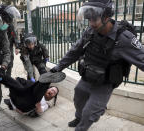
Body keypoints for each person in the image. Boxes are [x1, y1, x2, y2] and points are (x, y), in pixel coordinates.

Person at [50, 0, 144, 131]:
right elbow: (75, 51)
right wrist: (58, 67)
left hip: (105, 82)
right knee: (78, 96)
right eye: (89, 19)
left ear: (106, 16)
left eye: (94, 19)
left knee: (89, 112)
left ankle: (82, 126)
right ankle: (79, 117)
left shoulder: (123, 38)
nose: (91, 23)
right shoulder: (90, 31)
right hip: (89, 75)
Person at [0, 71, 65, 117]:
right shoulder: (35, 88)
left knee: (32, 92)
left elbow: (40, 112)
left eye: (54, 93)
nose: (52, 92)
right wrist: (17, 80)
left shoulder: (46, 104)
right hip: (18, 97)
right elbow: (24, 82)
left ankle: (47, 79)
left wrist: (39, 106)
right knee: (17, 84)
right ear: (48, 89)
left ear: (53, 97)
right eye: (52, 90)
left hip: (25, 106)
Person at [0, 4, 21, 77]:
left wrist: (17, 46)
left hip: (9, 43)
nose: (6, 23)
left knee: (9, 60)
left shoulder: (8, 26)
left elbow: (14, 35)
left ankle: (7, 77)